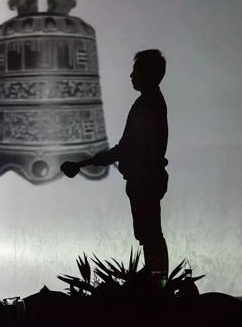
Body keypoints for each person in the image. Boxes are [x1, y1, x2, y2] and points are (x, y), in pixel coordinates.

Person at [61, 49, 169, 273]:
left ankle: (158, 284)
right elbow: (129, 148)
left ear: (147, 74)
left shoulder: (147, 105)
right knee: (149, 236)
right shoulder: (150, 103)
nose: (131, 76)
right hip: (146, 180)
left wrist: (85, 163)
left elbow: (128, 147)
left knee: (151, 237)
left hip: (144, 181)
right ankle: (158, 282)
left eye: (136, 71)